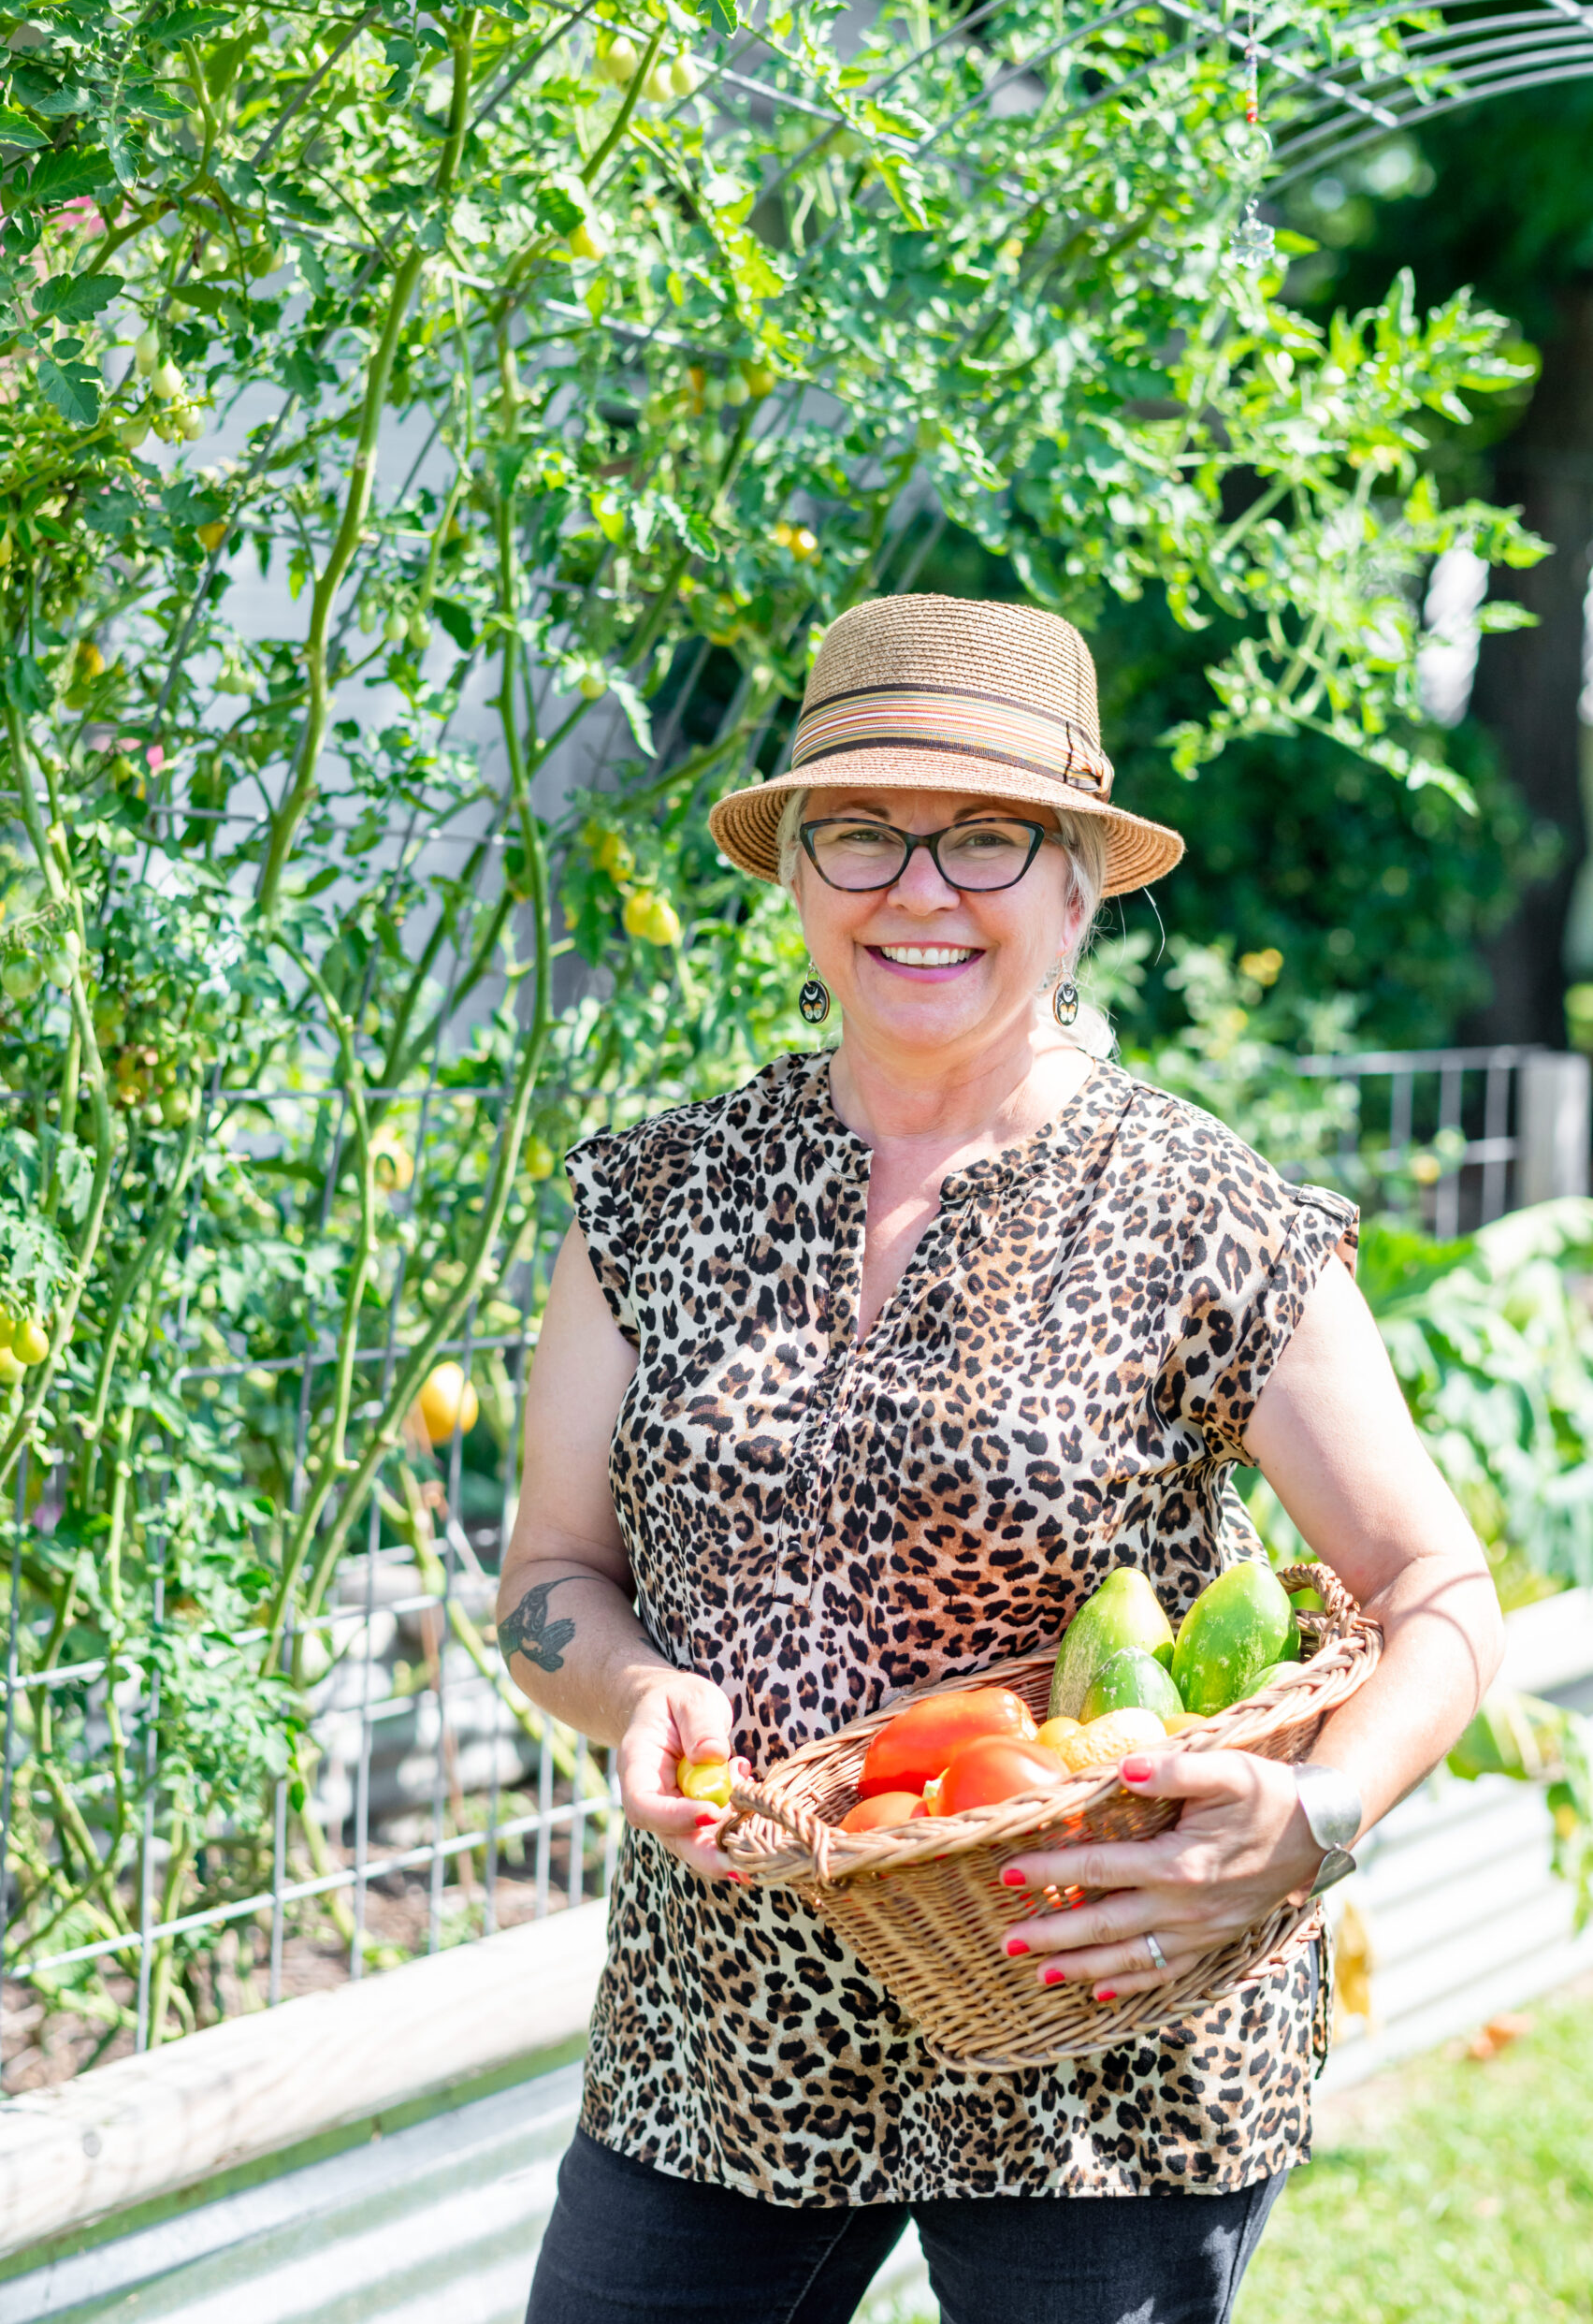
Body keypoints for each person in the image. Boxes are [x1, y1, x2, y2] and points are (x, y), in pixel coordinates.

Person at [499, 594, 1502, 2324]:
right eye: (865, 833)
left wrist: (1316, 1820)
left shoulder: (1206, 1216)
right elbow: (546, 1582)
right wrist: (633, 1690)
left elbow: (1438, 1590)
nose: (920, 888)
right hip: (720, 2033)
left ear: (1078, 884)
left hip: (1104, 2043)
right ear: (797, 870)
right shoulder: (651, 1204)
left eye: (985, 838)